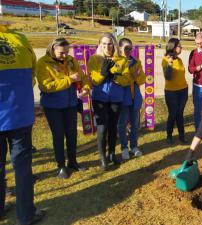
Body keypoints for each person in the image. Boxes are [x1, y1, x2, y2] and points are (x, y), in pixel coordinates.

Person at [0, 21, 45, 224]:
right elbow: (32, 76)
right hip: (19, 115)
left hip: (14, 115)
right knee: (22, 168)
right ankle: (26, 215)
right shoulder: (20, 39)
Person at [36, 38, 89, 179]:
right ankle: (61, 166)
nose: (65, 55)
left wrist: (85, 88)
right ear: (52, 49)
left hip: (70, 104)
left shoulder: (71, 60)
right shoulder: (43, 63)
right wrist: (69, 80)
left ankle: (73, 162)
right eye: (61, 53)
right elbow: (45, 87)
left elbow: (82, 77)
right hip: (52, 106)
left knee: (72, 134)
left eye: (67, 52)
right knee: (58, 135)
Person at [88, 33, 131, 170]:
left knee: (113, 126)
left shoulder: (122, 60)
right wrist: (103, 73)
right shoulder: (94, 59)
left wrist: (114, 77)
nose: (107, 46)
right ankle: (103, 157)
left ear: (114, 44)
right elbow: (94, 80)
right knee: (102, 127)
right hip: (100, 98)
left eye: (110, 43)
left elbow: (126, 80)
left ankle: (112, 153)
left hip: (116, 98)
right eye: (104, 44)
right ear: (100, 45)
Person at [117, 38, 146, 160]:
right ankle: (124, 148)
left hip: (135, 97)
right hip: (123, 98)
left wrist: (135, 77)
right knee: (122, 124)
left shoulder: (136, 62)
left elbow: (142, 79)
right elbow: (118, 80)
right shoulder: (116, 62)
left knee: (135, 124)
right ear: (119, 48)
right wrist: (133, 76)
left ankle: (134, 146)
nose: (129, 51)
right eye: (126, 48)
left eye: (130, 48)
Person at [162, 38, 188, 144]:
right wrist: (169, 64)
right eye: (179, 46)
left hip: (183, 91)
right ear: (173, 47)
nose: (181, 48)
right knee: (173, 113)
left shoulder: (179, 59)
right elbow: (168, 77)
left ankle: (182, 136)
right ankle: (169, 135)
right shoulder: (165, 59)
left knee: (180, 113)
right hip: (171, 92)